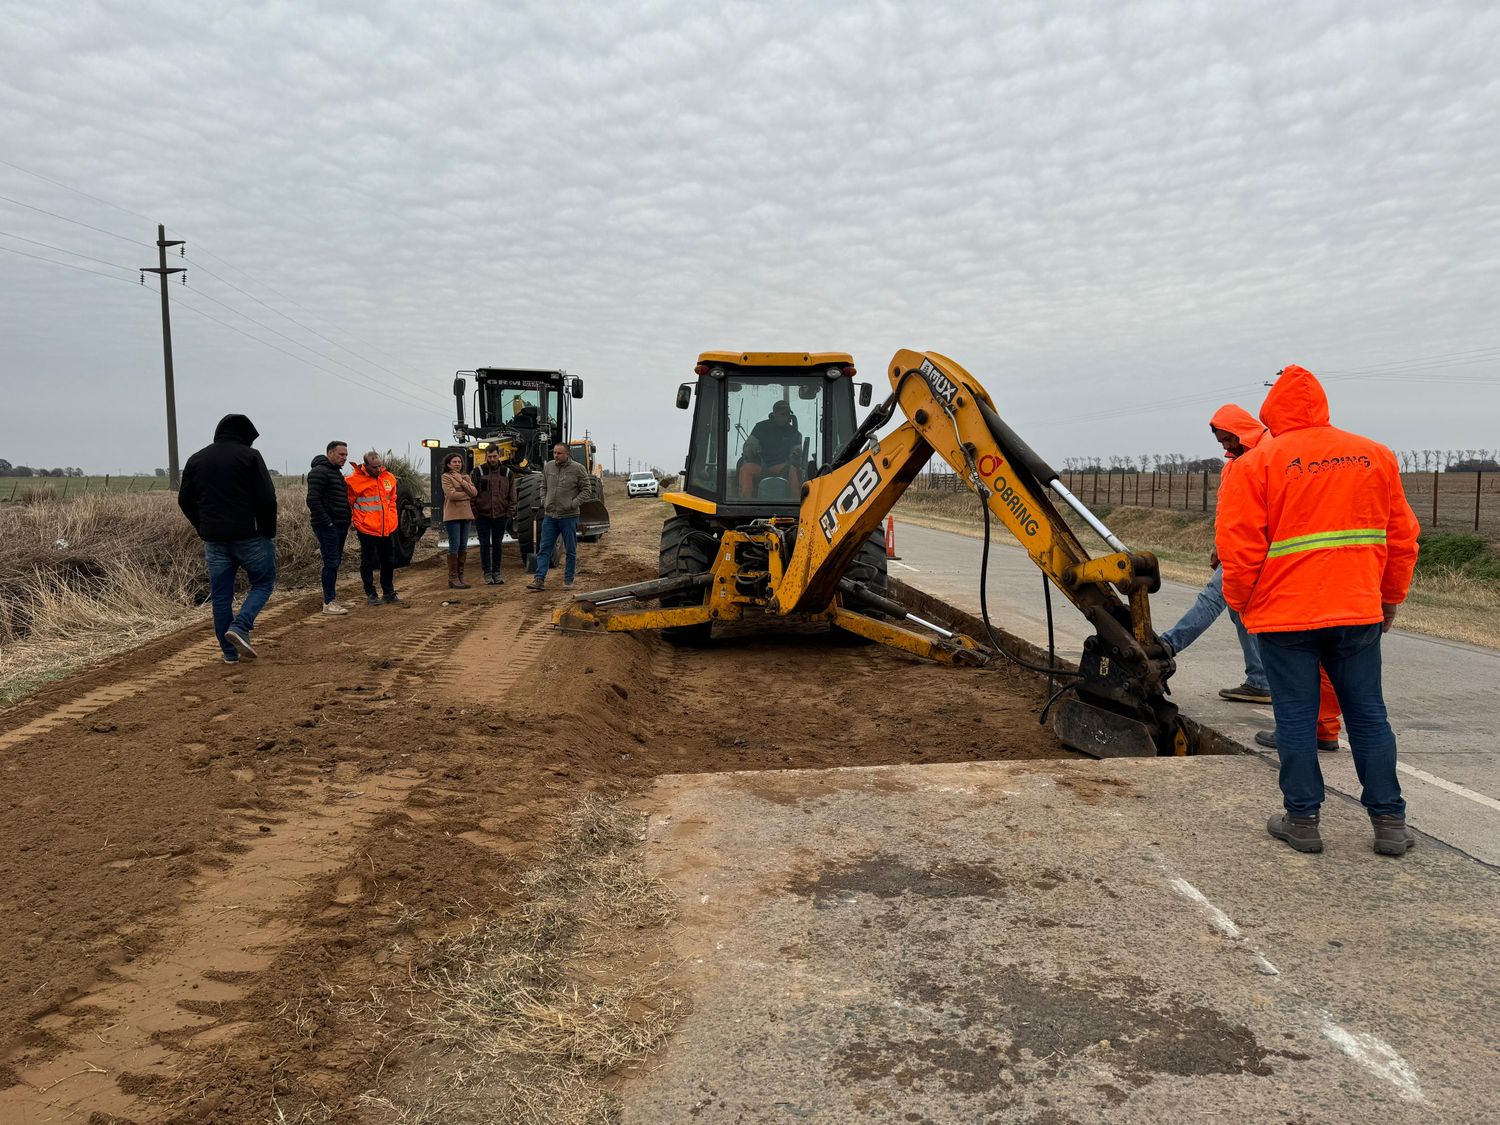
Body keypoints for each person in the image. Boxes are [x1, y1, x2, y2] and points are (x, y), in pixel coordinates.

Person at [1218, 365, 1420, 857]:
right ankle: (1389, 822)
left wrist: (1242, 604)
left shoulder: (1257, 464)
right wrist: (1388, 598)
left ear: (1272, 412)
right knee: (1369, 716)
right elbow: (1403, 539)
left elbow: (1239, 549)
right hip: (1357, 610)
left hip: (1285, 618)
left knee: (1295, 716)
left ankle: (1303, 820)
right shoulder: (1376, 456)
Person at [1158, 405, 1272, 704]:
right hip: (1238, 547)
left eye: (1227, 438)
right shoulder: (1238, 461)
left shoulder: (1267, 454)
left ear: (1241, 430)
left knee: (1213, 596)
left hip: (1257, 549)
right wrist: (1220, 546)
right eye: (1221, 441)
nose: (1225, 445)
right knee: (1239, 611)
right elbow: (1232, 511)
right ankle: (1260, 680)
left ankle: (1167, 645)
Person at [177, 413, 277, 663]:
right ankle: (241, 626)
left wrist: (202, 527)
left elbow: (184, 500)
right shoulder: (250, 456)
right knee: (264, 583)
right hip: (250, 536)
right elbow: (267, 498)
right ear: (245, 435)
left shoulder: (196, 459)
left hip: (214, 539)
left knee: (221, 597)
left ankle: (229, 654)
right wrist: (267, 530)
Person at [528, 442, 592, 591]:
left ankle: (568, 579)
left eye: (559, 453)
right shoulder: (548, 466)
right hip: (550, 516)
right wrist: (544, 500)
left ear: (567, 454)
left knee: (570, 550)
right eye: (554, 453)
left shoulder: (578, 469)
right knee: (544, 548)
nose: (555, 456)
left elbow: (587, 490)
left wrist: (573, 503)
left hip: (569, 516)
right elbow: (543, 486)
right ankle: (539, 579)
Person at [347, 450, 403, 606]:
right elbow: (349, 504)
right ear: (366, 466)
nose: (378, 469)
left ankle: (389, 592)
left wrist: (392, 518)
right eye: (374, 467)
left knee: (388, 560)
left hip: (387, 527)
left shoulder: (389, 478)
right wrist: (354, 521)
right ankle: (371, 593)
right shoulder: (354, 481)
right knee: (368, 561)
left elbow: (392, 500)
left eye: (380, 466)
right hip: (366, 528)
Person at [306, 440, 352, 614]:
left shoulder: (335, 473)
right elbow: (312, 500)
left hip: (339, 525)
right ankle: (328, 603)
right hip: (327, 527)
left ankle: (333, 598)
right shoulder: (319, 472)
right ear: (330, 453)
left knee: (336, 562)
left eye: (346, 455)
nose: (344, 458)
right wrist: (328, 522)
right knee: (331, 562)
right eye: (341, 454)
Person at [738, 399, 803, 498]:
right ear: (774, 414)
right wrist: (751, 449)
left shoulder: (793, 432)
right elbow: (749, 445)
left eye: (787, 414)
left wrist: (795, 454)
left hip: (783, 467)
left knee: (794, 471)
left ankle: (797, 504)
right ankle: (746, 503)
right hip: (761, 465)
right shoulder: (760, 428)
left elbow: (796, 449)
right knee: (745, 470)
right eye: (782, 414)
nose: (785, 417)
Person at [471, 445, 516, 585]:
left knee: (497, 544)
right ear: (486, 456)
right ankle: (487, 573)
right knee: (484, 544)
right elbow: (472, 493)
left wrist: (509, 512)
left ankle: (497, 572)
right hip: (482, 516)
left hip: (501, 515)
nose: (492, 459)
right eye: (489, 457)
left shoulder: (507, 472)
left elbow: (512, 495)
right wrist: (475, 512)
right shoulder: (478, 471)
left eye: (494, 456)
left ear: (499, 455)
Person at [441, 453, 478, 589]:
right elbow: (451, 495)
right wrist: (467, 494)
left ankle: (460, 577)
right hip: (452, 516)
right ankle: (453, 577)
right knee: (454, 546)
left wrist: (461, 482)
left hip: (466, 516)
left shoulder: (466, 477)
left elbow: (474, 493)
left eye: (459, 462)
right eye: (454, 462)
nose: (457, 464)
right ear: (448, 464)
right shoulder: (446, 477)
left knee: (463, 546)